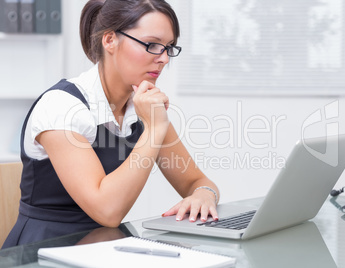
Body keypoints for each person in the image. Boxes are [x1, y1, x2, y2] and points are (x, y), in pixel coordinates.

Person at [2, 0, 219, 248]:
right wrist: (155, 129)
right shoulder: (62, 107)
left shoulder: (144, 109)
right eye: (152, 45)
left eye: (168, 48)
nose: (164, 59)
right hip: (41, 251)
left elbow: (196, 181)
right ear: (109, 41)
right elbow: (107, 211)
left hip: (102, 248)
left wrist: (204, 195)